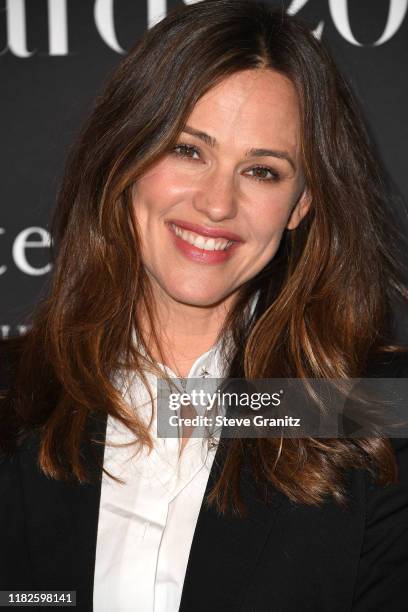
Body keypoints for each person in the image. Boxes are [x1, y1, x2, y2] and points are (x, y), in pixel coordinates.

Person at [1, 1, 408, 610]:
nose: (217, 204)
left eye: (263, 171)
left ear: (300, 204)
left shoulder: (366, 412)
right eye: (188, 150)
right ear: (125, 158)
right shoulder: (14, 394)